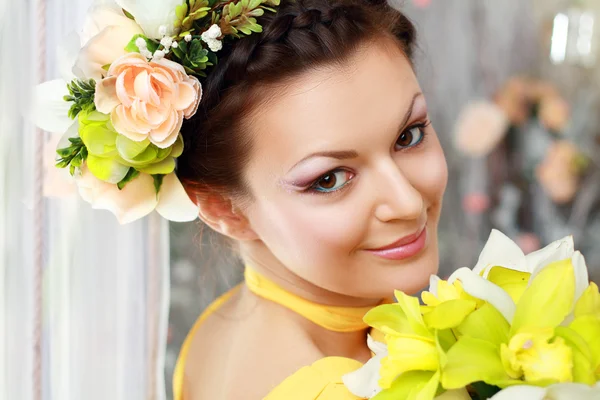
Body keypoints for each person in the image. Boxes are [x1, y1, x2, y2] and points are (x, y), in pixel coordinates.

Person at [173, 0, 448, 398]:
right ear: (223, 208)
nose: (406, 203)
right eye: (330, 179)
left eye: (409, 135)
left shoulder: (227, 322)